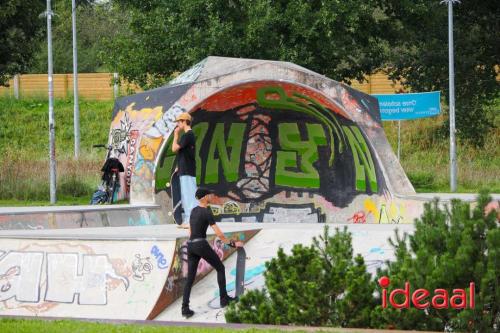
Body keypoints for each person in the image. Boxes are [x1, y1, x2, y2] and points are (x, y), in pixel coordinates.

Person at [182, 188, 244, 318]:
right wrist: (232, 243)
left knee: (190, 279)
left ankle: (185, 308)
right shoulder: (206, 212)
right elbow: (219, 233)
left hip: (191, 245)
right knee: (220, 268)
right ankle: (224, 300)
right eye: (209, 194)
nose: (211, 196)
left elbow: (190, 229)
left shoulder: (193, 210)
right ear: (204, 197)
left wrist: (192, 242)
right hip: (200, 244)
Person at [172, 112, 197, 226]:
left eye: (178, 122)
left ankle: (189, 220)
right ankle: (190, 219)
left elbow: (174, 149)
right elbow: (184, 153)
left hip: (187, 169)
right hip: (186, 168)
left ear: (184, 121)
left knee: (188, 195)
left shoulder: (187, 135)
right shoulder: (189, 136)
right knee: (188, 194)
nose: (177, 124)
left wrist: (175, 135)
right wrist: (179, 166)